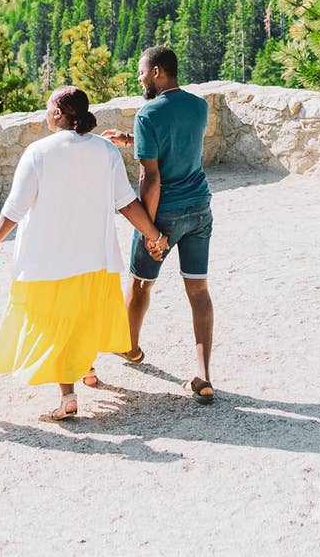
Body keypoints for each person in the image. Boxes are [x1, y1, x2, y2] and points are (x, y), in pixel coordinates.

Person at [0, 86, 164, 421]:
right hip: (95, 257)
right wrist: (154, 235)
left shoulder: (38, 152)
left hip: (49, 260)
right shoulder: (105, 151)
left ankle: (67, 397)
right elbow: (126, 203)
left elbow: (15, 208)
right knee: (84, 314)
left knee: (57, 325)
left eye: (48, 107)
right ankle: (88, 368)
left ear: (57, 114)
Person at [102, 46, 215, 405]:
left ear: (158, 72)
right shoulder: (199, 106)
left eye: (141, 71)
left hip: (164, 213)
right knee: (198, 292)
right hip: (200, 208)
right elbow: (180, 142)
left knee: (140, 284)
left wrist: (151, 231)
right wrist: (132, 142)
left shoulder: (148, 112)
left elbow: (151, 176)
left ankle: (130, 347)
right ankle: (204, 375)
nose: (139, 78)